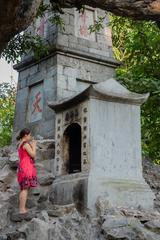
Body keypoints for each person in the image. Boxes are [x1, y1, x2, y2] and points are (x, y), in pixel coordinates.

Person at [16, 128, 38, 214]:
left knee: (23, 188)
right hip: (26, 166)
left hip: (22, 166)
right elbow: (33, 155)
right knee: (25, 188)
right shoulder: (25, 144)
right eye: (30, 135)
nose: (30, 137)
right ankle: (22, 209)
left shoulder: (20, 144)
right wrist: (34, 146)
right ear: (26, 135)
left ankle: (21, 208)